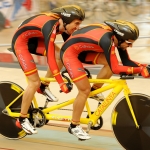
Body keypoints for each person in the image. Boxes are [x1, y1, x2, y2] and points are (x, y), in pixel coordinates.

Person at [49, 20, 150, 140]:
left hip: (84, 50)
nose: (130, 46)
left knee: (110, 63)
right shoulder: (107, 40)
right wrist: (139, 70)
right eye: (129, 43)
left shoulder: (118, 39)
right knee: (84, 90)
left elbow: (127, 62)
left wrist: (145, 67)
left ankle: (95, 91)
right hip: (70, 53)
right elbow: (116, 69)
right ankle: (74, 125)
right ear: (121, 37)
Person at [12, 5, 85, 134]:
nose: (78, 27)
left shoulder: (64, 27)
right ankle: (22, 119)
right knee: (34, 82)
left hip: (35, 38)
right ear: (67, 20)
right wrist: (61, 83)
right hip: (21, 43)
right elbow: (50, 59)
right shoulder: (51, 26)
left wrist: (80, 70)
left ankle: (43, 86)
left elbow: (69, 54)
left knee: (61, 57)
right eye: (77, 23)